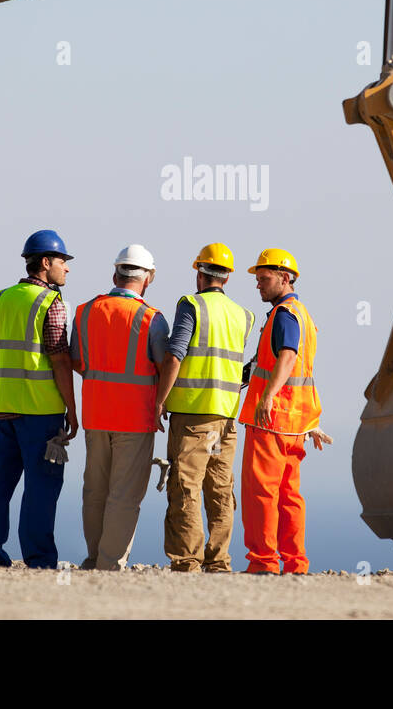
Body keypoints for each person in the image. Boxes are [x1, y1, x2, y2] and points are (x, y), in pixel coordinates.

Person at [0, 229, 78, 569]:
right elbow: (59, 357)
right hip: (41, 411)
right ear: (46, 262)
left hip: (4, 408)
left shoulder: (0, 298)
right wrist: (73, 409)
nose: (67, 269)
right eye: (63, 261)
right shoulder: (50, 303)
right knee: (42, 489)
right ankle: (39, 560)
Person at [154, 243, 254, 573]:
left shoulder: (191, 306)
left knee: (186, 488)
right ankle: (219, 562)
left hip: (193, 417)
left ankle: (187, 562)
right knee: (220, 490)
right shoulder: (244, 315)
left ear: (199, 273)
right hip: (225, 419)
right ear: (227, 277)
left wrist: (159, 400)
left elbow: (174, 355)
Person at [70, 244, 170, 570]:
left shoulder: (84, 312)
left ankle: (93, 556)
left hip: (96, 415)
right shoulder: (152, 320)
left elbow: (77, 360)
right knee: (123, 496)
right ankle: (110, 565)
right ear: (148, 278)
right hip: (134, 419)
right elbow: (164, 366)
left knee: (95, 490)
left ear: (115, 273)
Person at [238, 248, 331, 575]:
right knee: (290, 496)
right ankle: (295, 563)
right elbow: (302, 370)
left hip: (271, 421)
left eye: (264, 279)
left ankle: (263, 562)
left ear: (285, 278)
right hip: (295, 424)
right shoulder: (303, 314)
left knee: (260, 493)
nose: (258, 285)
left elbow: (288, 357)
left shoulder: (284, 315)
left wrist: (267, 398)